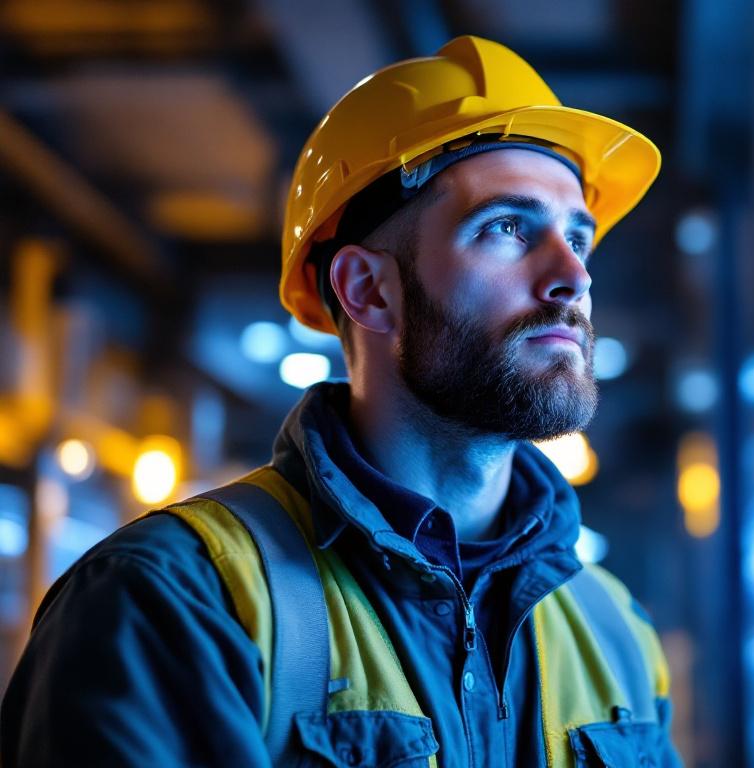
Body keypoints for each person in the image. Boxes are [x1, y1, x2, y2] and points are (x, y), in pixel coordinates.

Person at [1, 35, 678, 767]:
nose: (572, 275)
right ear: (367, 290)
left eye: (579, 236)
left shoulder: (616, 630)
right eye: (507, 228)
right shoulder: (176, 603)